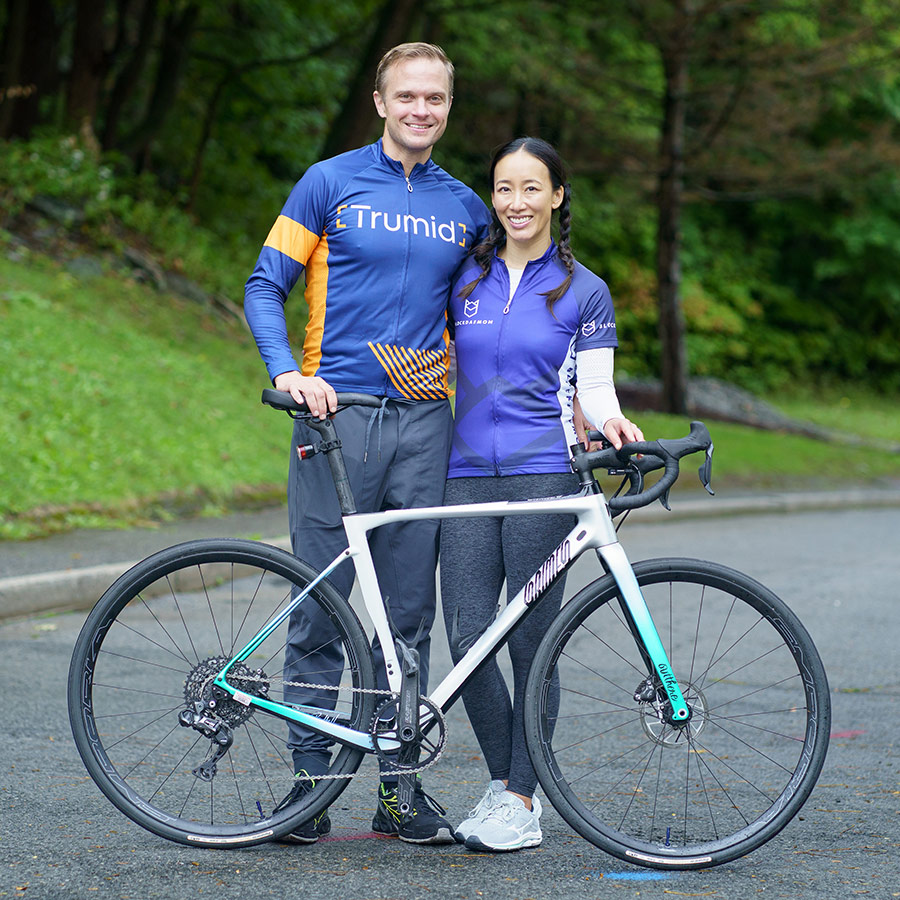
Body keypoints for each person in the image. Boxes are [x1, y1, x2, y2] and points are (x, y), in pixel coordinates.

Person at [243, 42, 490, 845]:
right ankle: (309, 791)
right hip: (335, 417)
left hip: (424, 426)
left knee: (408, 618)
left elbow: (495, 323)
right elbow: (262, 284)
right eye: (407, 97)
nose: (422, 110)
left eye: (436, 99)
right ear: (380, 103)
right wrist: (287, 373)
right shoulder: (329, 183)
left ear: (448, 107)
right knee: (319, 608)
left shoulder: (467, 210)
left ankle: (397, 795)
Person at [439, 137, 643, 852]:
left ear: (558, 196)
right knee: (466, 638)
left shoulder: (583, 289)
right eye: (503, 188)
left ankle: (522, 800)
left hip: (545, 475)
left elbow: (594, 387)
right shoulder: (466, 278)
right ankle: (506, 786)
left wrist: (611, 421)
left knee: (532, 642)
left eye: (531, 188)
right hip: (462, 477)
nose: (516, 202)